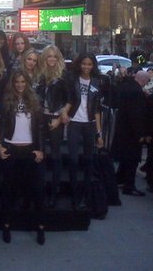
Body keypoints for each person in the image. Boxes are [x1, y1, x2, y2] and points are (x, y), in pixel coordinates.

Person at [0, 70, 46, 245]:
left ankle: (41, 228)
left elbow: (41, 128)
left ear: (27, 83)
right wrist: (1, 146)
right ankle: (6, 225)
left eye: (23, 82)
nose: (20, 85)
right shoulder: (7, 101)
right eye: (17, 82)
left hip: (30, 150)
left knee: (37, 191)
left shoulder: (34, 102)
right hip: (11, 149)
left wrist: (40, 149)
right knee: (8, 191)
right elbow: (2, 125)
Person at [61, 52, 104, 209]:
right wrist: (64, 113)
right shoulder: (72, 80)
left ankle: (86, 194)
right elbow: (69, 100)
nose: (86, 67)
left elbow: (98, 109)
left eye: (89, 64)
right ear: (79, 64)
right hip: (75, 122)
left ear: (93, 66)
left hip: (90, 124)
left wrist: (99, 133)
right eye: (84, 64)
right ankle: (74, 194)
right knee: (73, 160)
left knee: (88, 160)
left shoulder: (97, 82)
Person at [111, 70, 150, 196]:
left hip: (123, 129)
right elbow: (136, 115)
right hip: (131, 133)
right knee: (132, 159)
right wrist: (140, 134)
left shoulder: (127, 87)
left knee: (125, 158)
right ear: (144, 80)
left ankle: (119, 179)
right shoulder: (137, 92)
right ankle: (129, 185)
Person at [40, 45, 69, 207]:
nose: (51, 59)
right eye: (48, 56)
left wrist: (60, 117)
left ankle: (55, 191)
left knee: (56, 155)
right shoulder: (41, 74)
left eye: (54, 57)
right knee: (40, 153)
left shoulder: (64, 76)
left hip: (56, 118)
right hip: (41, 118)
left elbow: (71, 98)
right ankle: (41, 189)